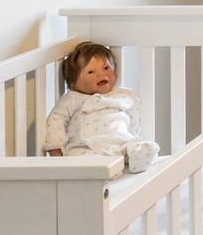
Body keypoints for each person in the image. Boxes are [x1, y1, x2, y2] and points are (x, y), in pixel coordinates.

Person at [43, 40, 159, 175]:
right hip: (87, 147)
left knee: (135, 146)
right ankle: (102, 172)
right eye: (91, 72)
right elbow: (56, 120)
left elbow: (134, 116)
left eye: (106, 68)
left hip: (120, 144)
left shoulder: (124, 95)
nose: (101, 75)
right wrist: (55, 149)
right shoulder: (73, 99)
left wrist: (133, 136)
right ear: (73, 82)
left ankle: (140, 157)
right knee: (82, 160)